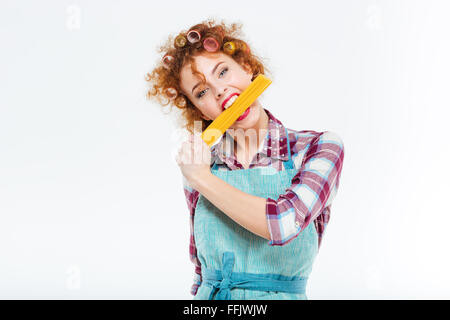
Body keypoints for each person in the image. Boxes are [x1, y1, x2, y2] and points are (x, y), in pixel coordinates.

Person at [145, 19, 345, 300]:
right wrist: (198, 174)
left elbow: (283, 223)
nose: (219, 90)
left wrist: (201, 178)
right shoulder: (201, 163)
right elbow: (200, 267)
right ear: (201, 112)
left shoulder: (318, 147)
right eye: (202, 92)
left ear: (248, 68)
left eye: (223, 71)